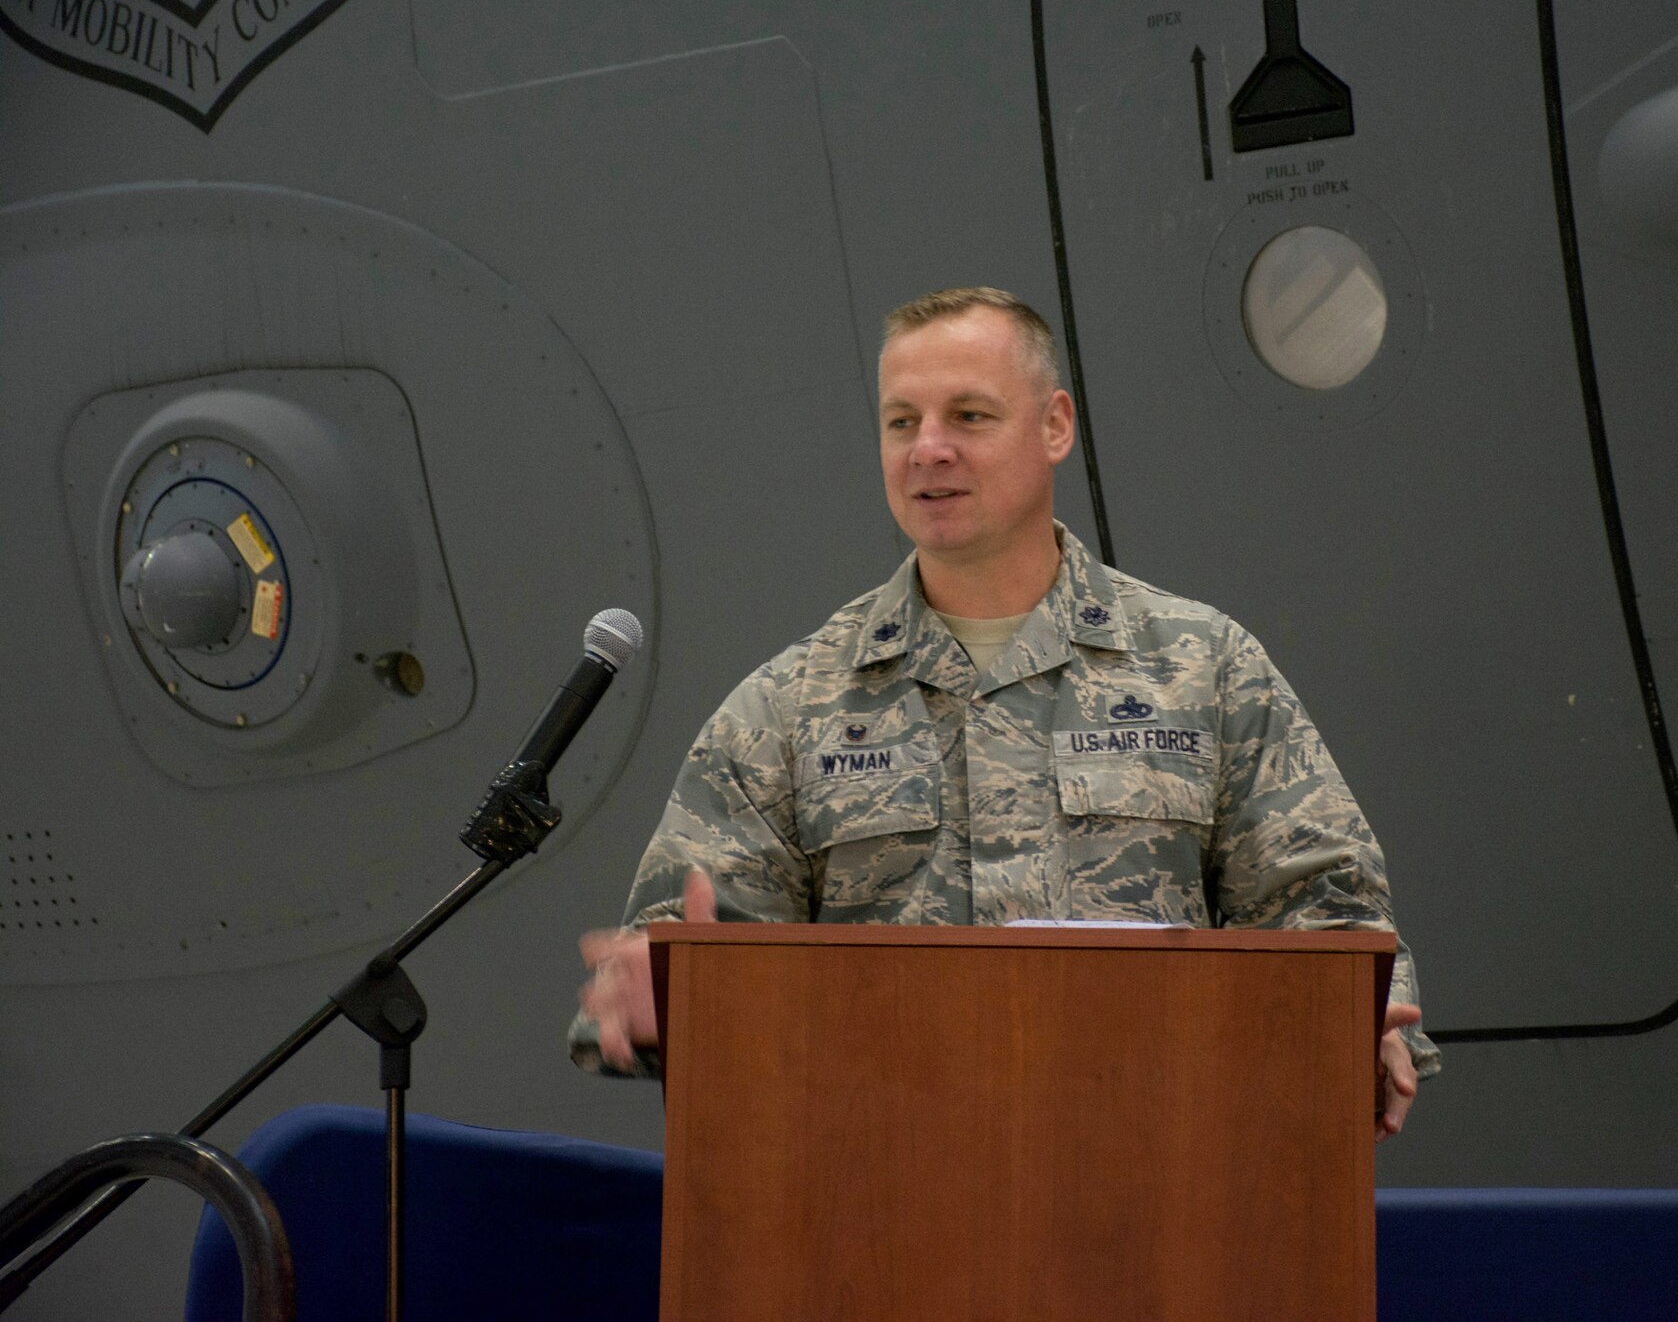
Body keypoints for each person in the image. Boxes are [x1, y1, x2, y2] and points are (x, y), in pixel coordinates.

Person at [572, 287, 1439, 1138]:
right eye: (901, 421)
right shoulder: (790, 706)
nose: (929, 449)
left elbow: (1325, 905)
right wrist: (666, 1000)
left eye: (970, 415)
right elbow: (686, 966)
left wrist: (1360, 1023)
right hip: (875, 1182)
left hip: (1163, 1169)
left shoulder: (1204, 668)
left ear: (1054, 426)